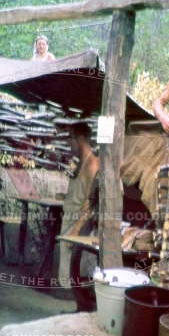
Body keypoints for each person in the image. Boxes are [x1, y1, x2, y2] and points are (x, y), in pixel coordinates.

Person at [58, 122, 99, 295]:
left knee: (75, 270)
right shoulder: (80, 162)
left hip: (79, 223)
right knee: (66, 271)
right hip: (69, 218)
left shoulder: (91, 165)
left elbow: (90, 204)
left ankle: (75, 306)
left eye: (71, 139)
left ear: (80, 139)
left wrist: (75, 231)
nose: (69, 143)